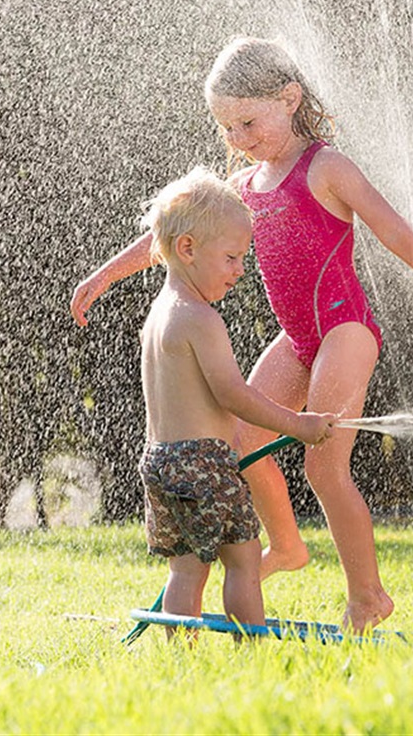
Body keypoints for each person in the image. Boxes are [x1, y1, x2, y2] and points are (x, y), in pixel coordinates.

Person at [71, 37, 413, 631]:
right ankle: (286, 545)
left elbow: (394, 231)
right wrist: (105, 274)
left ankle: (368, 596)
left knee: (324, 467)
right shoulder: (245, 183)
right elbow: (174, 229)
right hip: (297, 337)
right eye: (227, 127)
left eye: (248, 122)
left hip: (344, 329)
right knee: (236, 440)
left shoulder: (326, 168)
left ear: (289, 98)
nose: (239, 137)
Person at [136, 167, 334, 638]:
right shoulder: (200, 318)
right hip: (205, 463)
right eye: (231, 257)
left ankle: (180, 653)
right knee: (244, 560)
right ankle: (253, 646)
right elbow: (234, 394)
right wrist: (298, 424)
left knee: (186, 569)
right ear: (187, 249)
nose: (239, 270)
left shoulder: (160, 315)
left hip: (161, 460)